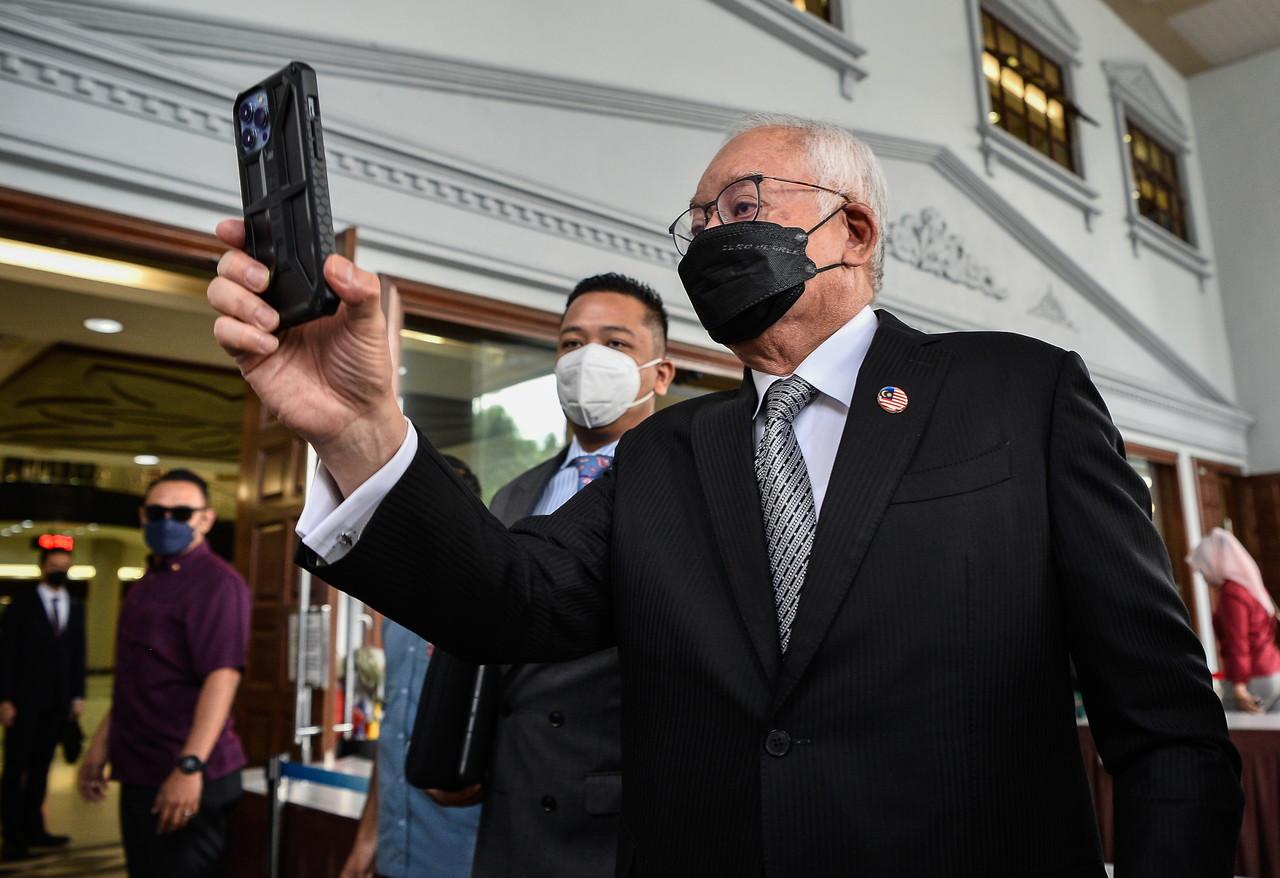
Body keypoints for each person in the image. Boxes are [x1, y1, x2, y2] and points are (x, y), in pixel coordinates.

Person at [207, 113, 1244, 877]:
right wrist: (358, 431)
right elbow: (509, 598)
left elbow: (1162, 723)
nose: (709, 236)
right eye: (695, 221)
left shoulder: (1017, 394)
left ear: (854, 230)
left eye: (741, 206)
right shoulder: (665, 453)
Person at [423, 274, 674, 878]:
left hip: (619, 816)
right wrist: (456, 751)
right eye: (571, 343)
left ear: (660, 374)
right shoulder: (514, 494)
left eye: (615, 343)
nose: (588, 359)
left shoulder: (685, 491)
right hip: (512, 807)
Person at [77, 469, 250, 878]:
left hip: (187, 771)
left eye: (181, 513)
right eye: (156, 513)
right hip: (140, 769)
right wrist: (101, 746)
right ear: (143, 516)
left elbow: (222, 677)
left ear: (205, 519)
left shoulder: (217, 583)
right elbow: (138, 678)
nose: (166, 522)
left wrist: (189, 767)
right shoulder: (145, 583)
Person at [340, 455, 484, 878]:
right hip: (395, 851)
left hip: (462, 858)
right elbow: (394, 735)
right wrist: (366, 840)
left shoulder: (487, 615)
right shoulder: (397, 616)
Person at [0, 545, 85, 861]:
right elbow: (6, 655)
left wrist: (77, 695)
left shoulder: (74, 605)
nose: (59, 570)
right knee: (16, 768)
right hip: (24, 702)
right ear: (42, 567)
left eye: (64, 565)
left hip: (57, 703)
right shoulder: (21, 606)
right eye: (54, 565)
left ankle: (35, 828)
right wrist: (4, 698)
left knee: (41, 767)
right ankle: (12, 835)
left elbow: (77, 653)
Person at [1193, 527, 1280, 713]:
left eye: (1203, 568)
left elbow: (1237, 641)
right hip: (1272, 671)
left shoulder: (1232, 594)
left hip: (1254, 678)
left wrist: (1239, 686)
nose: (1203, 575)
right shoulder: (1250, 586)